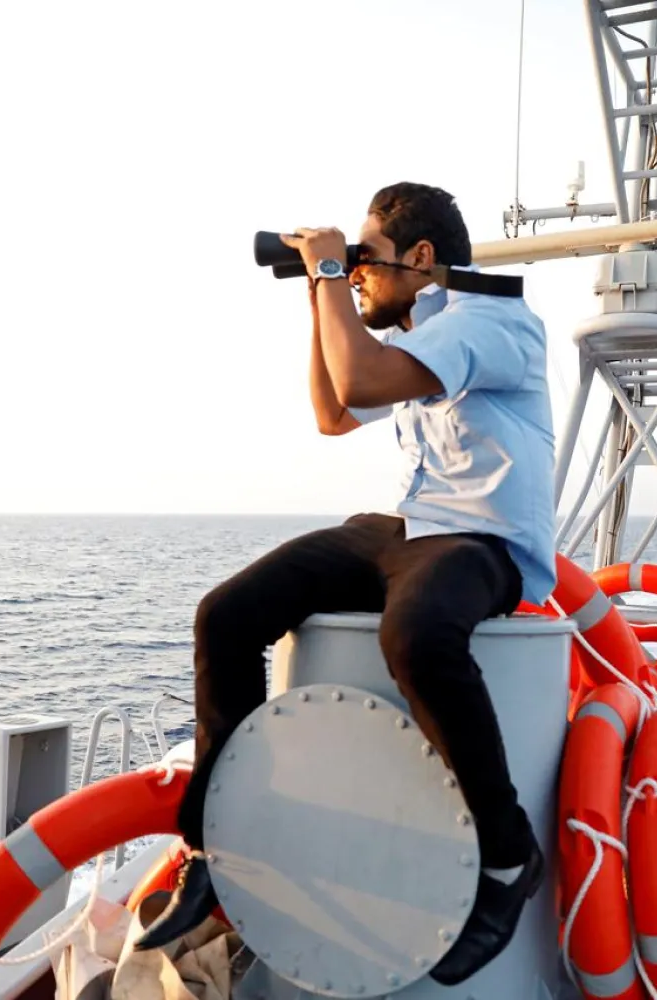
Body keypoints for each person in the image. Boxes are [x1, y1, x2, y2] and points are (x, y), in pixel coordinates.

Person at [134, 182, 557, 984]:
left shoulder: (492, 324)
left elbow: (359, 382)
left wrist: (331, 274)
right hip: (406, 528)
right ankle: (215, 850)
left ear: (422, 258)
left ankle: (508, 857)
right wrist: (319, 290)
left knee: (417, 634)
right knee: (226, 615)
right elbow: (333, 411)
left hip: (485, 541)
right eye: (350, 266)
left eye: (368, 260)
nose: (357, 276)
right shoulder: (410, 333)